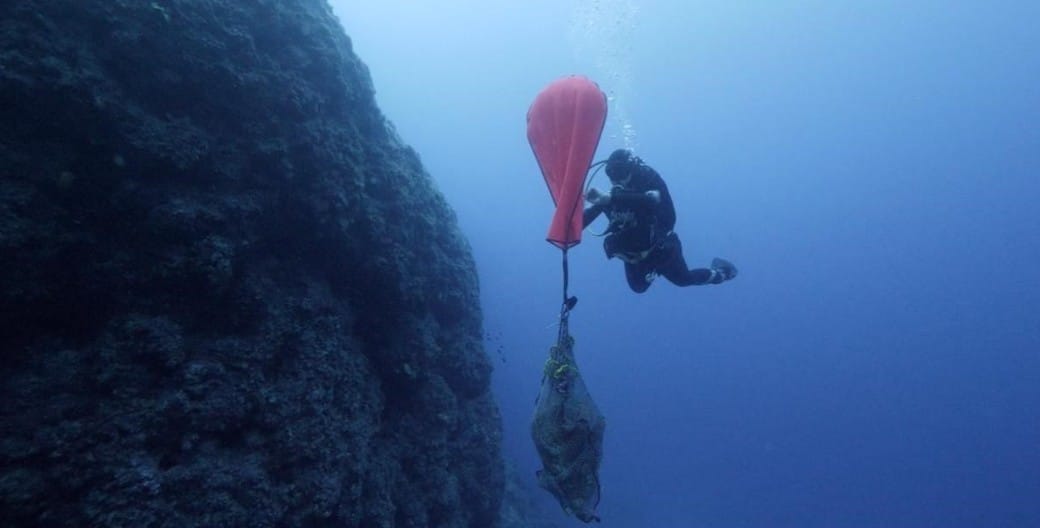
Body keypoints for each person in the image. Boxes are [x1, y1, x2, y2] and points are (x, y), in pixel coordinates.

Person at [583, 148, 738, 293]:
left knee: (684, 279)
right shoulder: (613, 196)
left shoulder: (648, 178)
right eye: (611, 175)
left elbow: (651, 200)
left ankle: (721, 273)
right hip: (636, 252)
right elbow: (592, 212)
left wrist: (610, 198)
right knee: (638, 287)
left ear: (631, 168)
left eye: (620, 173)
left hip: (663, 246)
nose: (617, 181)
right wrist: (572, 228)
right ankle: (651, 268)